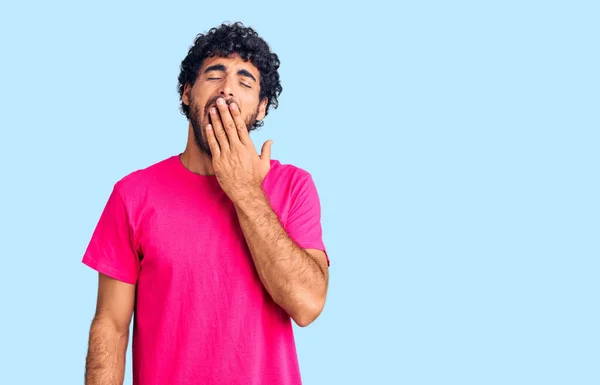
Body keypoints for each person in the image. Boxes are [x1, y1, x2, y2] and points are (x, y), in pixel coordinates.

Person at [82, 22, 330, 385]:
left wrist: (245, 191)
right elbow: (111, 327)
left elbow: (307, 304)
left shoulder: (294, 186)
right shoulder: (133, 194)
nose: (228, 88)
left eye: (245, 82)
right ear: (187, 93)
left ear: (260, 109)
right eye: (214, 75)